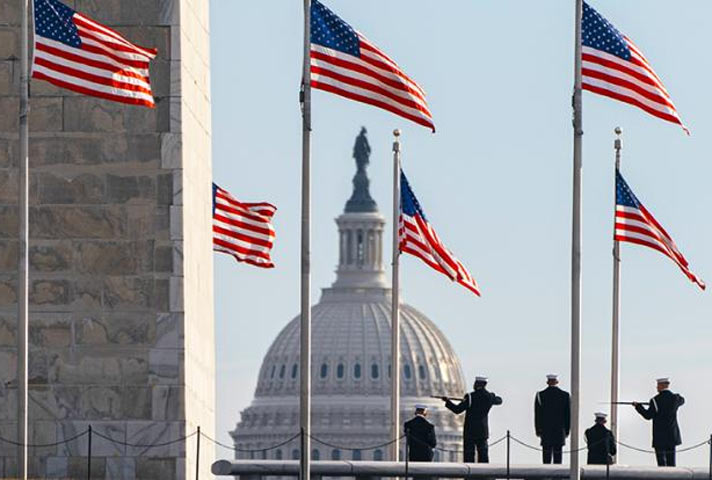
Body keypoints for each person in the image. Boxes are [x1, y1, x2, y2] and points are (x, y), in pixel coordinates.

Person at [441, 376, 502, 463]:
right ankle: (485, 473)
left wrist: (448, 402)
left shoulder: (470, 397)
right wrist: (492, 396)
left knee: (469, 455)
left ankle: (470, 473)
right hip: (482, 431)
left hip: (470, 431)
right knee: (483, 454)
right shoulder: (489, 397)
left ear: (478, 384)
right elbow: (499, 401)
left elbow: (457, 410)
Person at [633, 377, 685, 467]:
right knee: (671, 462)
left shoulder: (655, 400)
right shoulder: (675, 398)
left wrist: (638, 407)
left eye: (658, 385)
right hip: (672, 435)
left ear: (662, 386)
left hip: (659, 435)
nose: (656, 387)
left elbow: (648, 415)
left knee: (661, 463)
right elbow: (682, 400)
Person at [534, 374, 571, 464]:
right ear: (557, 382)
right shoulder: (565, 395)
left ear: (547, 382)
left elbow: (537, 415)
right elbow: (568, 415)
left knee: (546, 459)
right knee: (558, 459)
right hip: (559, 430)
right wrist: (566, 431)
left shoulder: (540, 395)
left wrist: (538, 430)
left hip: (545, 430)